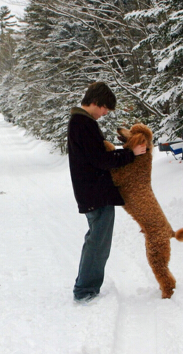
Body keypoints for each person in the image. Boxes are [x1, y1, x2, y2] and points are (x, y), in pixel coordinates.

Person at [67, 82, 146, 302]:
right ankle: (85, 291)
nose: (105, 113)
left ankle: (85, 287)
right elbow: (100, 160)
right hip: (95, 193)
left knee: (96, 241)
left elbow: (96, 156)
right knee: (98, 244)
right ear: (95, 102)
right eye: (104, 108)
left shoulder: (82, 122)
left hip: (94, 192)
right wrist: (130, 153)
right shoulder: (83, 123)